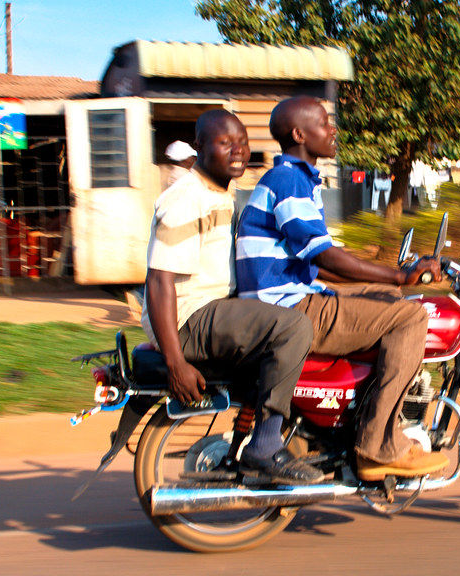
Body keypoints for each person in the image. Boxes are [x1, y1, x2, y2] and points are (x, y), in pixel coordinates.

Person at [235, 95, 448, 482]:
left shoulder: (296, 180)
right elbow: (327, 257)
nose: (333, 130)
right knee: (412, 316)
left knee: (390, 299)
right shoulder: (290, 181)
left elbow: (315, 261)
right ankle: (380, 445)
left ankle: (354, 415)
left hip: (289, 296)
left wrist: (390, 279)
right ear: (299, 134)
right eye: (323, 123)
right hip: (288, 308)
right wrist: (398, 276)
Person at [142, 109, 322, 484]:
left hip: (216, 311)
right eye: (226, 143)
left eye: (242, 143)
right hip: (190, 318)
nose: (237, 151)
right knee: (292, 327)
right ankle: (265, 448)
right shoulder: (186, 199)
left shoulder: (223, 192)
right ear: (200, 147)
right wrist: (176, 363)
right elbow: (159, 282)